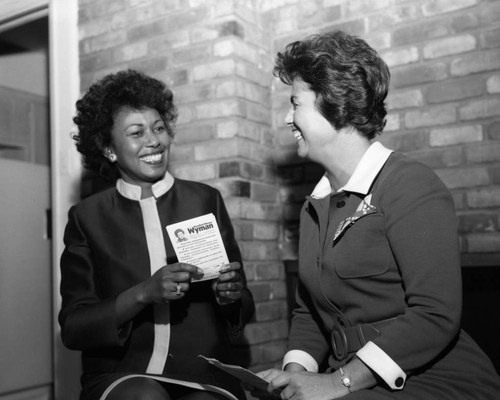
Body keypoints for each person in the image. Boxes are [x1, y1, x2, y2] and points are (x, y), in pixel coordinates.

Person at [251, 30, 500, 399]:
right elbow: (309, 314)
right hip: (353, 380)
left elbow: (435, 315)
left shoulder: (410, 184)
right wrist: (294, 377)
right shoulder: (313, 206)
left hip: (436, 379)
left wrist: (336, 383)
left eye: (295, 103)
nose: (288, 118)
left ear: (333, 101)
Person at [59, 69, 255, 400]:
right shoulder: (87, 217)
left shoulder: (205, 200)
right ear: (109, 149)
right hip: (122, 372)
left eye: (159, 128)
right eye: (137, 132)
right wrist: (144, 293)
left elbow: (243, 307)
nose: (154, 141)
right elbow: (75, 328)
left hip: (204, 369)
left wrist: (230, 297)